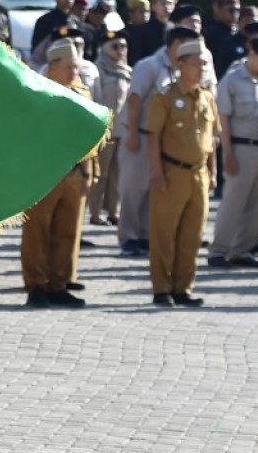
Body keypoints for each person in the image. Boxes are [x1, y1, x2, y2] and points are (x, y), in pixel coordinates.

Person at [21, 31, 96, 307]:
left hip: (76, 173)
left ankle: (59, 285)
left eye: (76, 66)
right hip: (45, 174)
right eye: (69, 67)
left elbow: (92, 137)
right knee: (38, 232)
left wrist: (90, 172)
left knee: (68, 231)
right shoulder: (38, 93)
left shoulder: (83, 93)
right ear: (52, 68)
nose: (75, 72)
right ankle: (36, 286)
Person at [144, 40, 218, 305]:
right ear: (181, 65)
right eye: (196, 63)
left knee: (192, 234)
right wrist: (157, 172)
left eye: (204, 64)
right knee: (164, 233)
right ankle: (162, 289)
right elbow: (153, 137)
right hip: (171, 171)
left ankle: (183, 288)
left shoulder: (207, 97)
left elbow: (212, 140)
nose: (201, 69)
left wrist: (213, 171)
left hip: (199, 175)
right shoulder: (163, 97)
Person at [118, 25, 204, 255]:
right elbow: (135, 100)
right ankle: (128, 237)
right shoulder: (149, 66)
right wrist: (134, 134)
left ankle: (146, 235)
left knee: (153, 189)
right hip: (141, 134)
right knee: (133, 189)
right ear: (176, 44)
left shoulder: (180, 70)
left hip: (162, 140)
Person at [208, 34, 258, 268]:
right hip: (241, 147)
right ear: (251, 54)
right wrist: (227, 155)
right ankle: (219, 250)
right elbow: (224, 121)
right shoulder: (231, 80)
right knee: (234, 201)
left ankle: (243, 250)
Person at [88, 29, 132, 226]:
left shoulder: (127, 71)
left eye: (123, 46)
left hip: (123, 130)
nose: (120, 50)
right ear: (105, 49)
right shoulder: (98, 70)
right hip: (104, 131)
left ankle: (114, 211)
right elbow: (95, 98)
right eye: (115, 46)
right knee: (101, 174)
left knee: (118, 175)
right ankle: (95, 213)